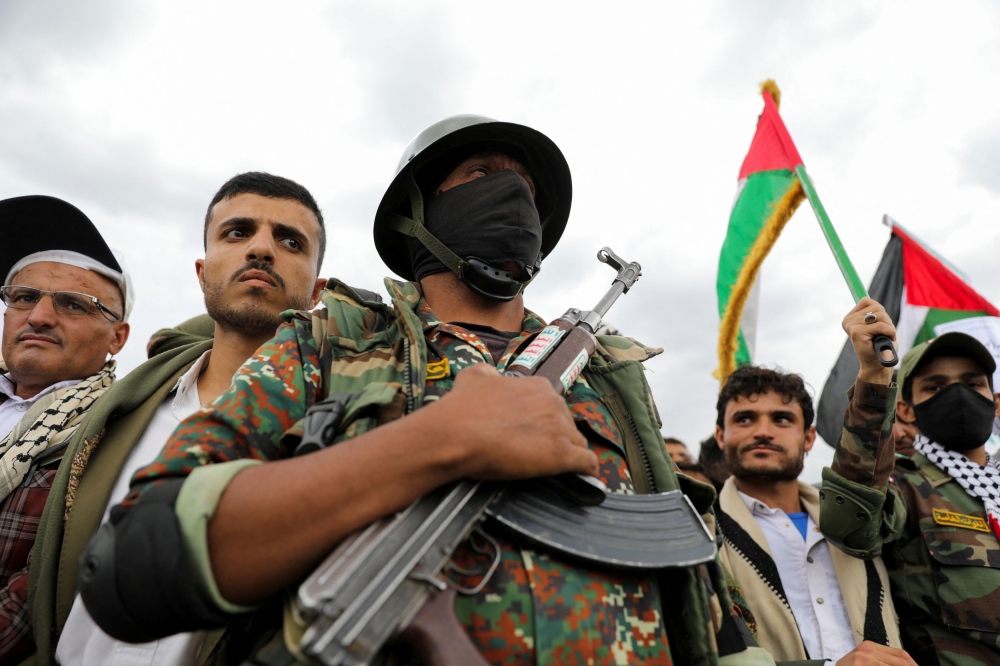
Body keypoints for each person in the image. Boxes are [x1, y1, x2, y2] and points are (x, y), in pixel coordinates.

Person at [80, 115, 768, 665]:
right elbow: (131, 564)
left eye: (525, 187)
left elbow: (697, 586)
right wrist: (439, 443)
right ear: (416, 212)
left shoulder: (609, 372)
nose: (515, 195)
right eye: (483, 174)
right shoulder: (328, 344)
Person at [24, 173, 329, 666]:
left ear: (317, 291)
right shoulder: (121, 411)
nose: (261, 249)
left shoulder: (334, 431)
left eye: (289, 241)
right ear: (202, 271)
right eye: (237, 232)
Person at [822, 298, 1000, 665]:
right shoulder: (902, 488)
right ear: (905, 409)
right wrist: (874, 377)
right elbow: (849, 525)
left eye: (972, 384)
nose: (959, 395)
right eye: (936, 387)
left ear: (995, 402)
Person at [0, 195, 131, 663]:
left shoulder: (113, 438)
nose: (38, 315)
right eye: (24, 297)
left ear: (118, 337)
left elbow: (29, 601)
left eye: (73, 304)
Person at [713, 366, 909, 665]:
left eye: (781, 419)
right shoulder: (700, 532)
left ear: (808, 438)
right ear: (720, 436)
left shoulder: (860, 525)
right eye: (744, 419)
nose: (763, 431)